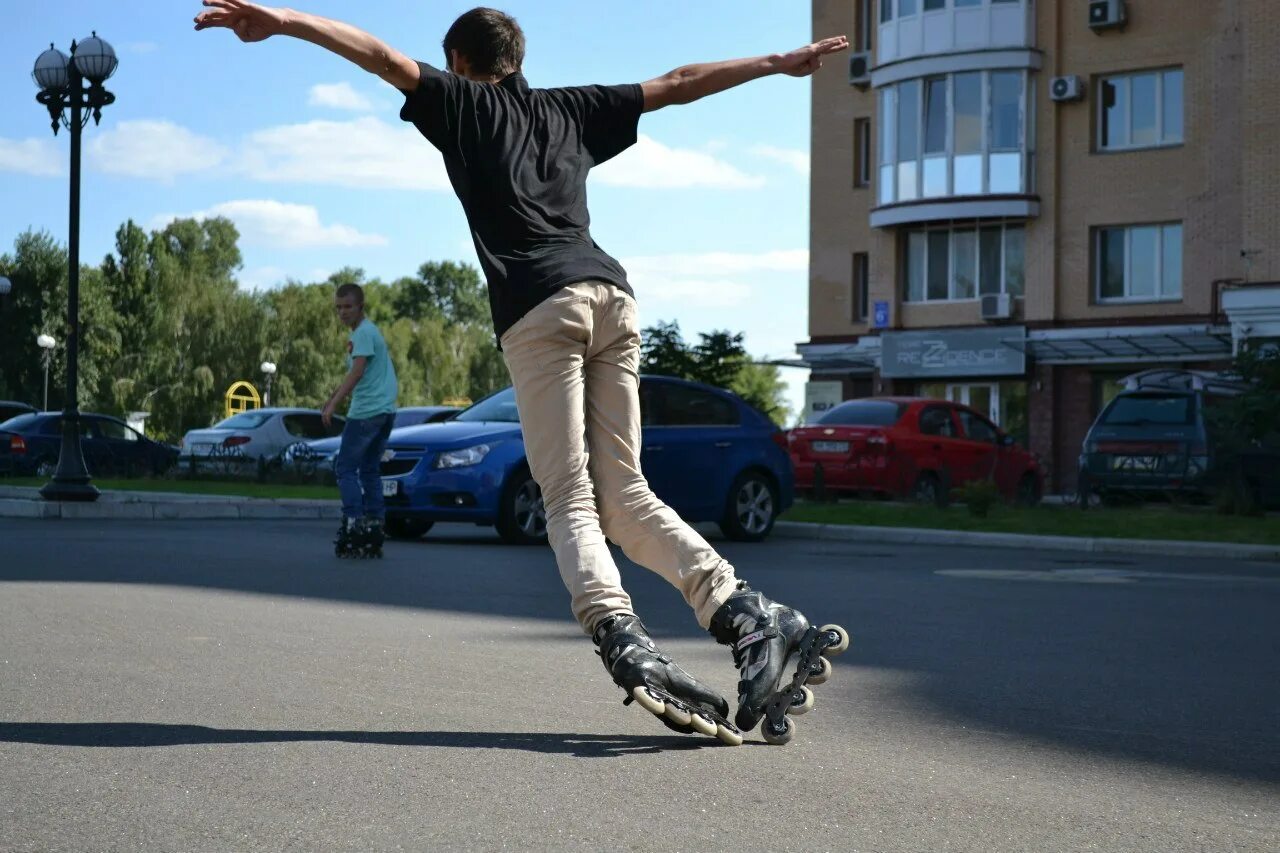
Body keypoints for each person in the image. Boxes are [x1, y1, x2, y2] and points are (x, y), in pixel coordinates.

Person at [195, 1, 849, 744]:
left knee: (569, 494)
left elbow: (378, 56)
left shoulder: (461, 103)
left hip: (540, 309)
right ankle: (752, 619)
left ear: (464, 63)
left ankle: (619, 632)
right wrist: (775, 63)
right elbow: (677, 79)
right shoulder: (570, 111)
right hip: (612, 297)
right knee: (627, 494)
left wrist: (282, 21)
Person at [325, 282, 399, 557]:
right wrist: (331, 396)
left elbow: (357, 372)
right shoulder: (369, 332)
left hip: (367, 413)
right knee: (369, 469)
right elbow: (358, 374)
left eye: (348, 307)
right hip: (385, 411)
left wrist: (334, 404)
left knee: (344, 468)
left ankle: (354, 522)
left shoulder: (363, 333)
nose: (343, 312)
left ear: (360, 307)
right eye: (339, 307)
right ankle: (375, 524)